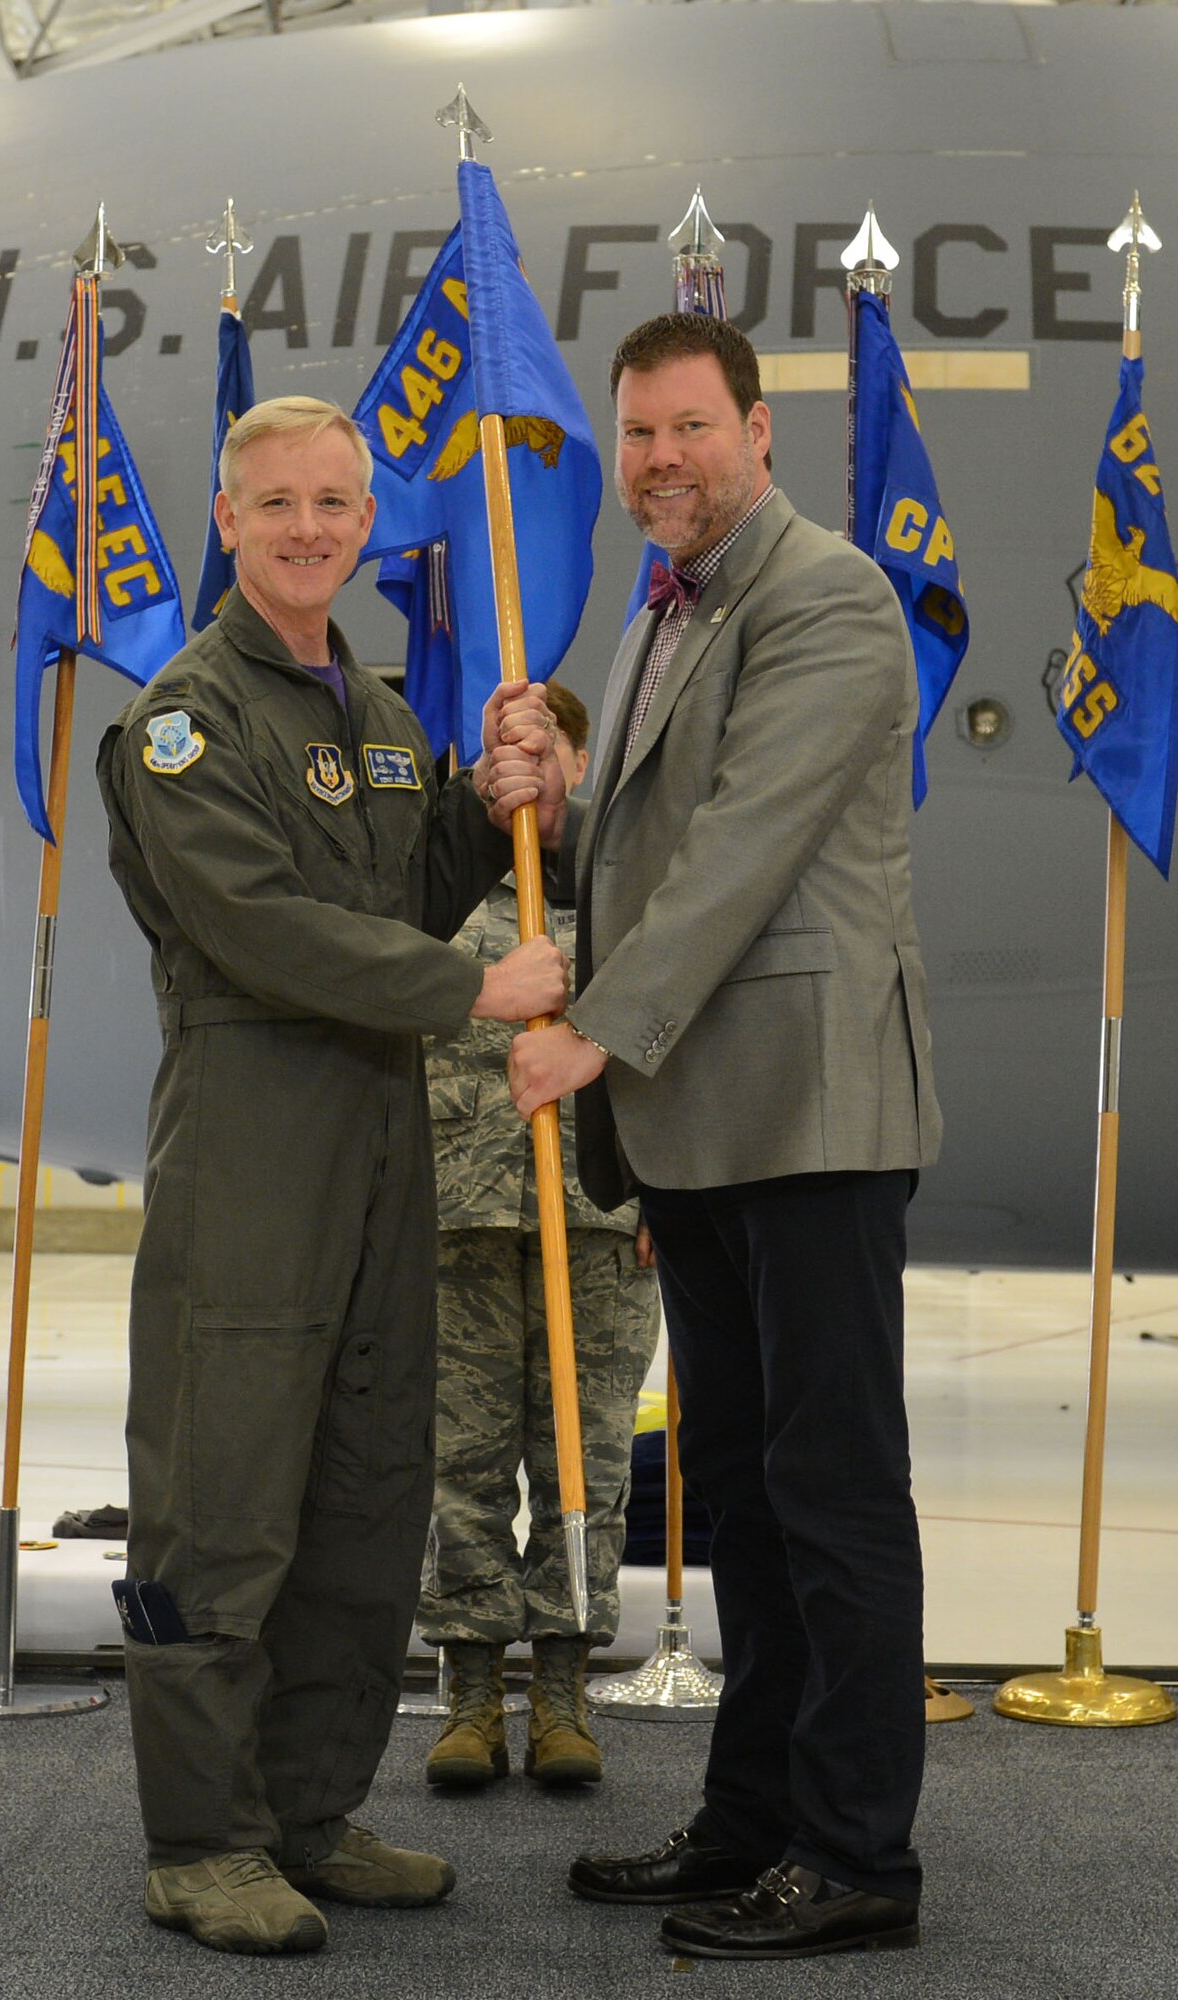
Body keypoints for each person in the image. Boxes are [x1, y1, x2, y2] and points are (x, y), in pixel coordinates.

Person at [96, 395, 568, 1959]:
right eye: (276, 503)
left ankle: (306, 1810)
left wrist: (492, 806)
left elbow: (419, 892)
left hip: (380, 1154)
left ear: (366, 519)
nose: (309, 527)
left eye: (334, 503)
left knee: (364, 1502)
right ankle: (202, 1839)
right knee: (221, 1507)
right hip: (251, 1153)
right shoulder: (181, 719)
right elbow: (259, 926)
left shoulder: (367, 710)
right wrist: (473, 996)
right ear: (225, 521)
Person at [507, 315, 942, 1962]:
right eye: (637, 436)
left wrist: (595, 1034)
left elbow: (747, 850)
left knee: (833, 1499)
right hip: (703, 1123)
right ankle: (753, 1822)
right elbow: (657, 831)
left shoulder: (825, 592)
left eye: (690, 429)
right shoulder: (658, 610)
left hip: (812, 1114)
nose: (660, 461)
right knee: (744, 1499)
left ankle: (855, 1858)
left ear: (759, 431)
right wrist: (564, 769)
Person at [418, 680, 660, 1791]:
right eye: (504, 742)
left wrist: (662, 1188)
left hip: (600, 1215)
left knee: (584, 1458)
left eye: (545, 738)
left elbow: (669, 1025)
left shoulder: (629, 873)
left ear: (579, 752)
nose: (525, 758)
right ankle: (470, 1689)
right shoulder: (446, 862)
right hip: (459, 1212)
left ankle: (560, 1685)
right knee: (459, 1461)